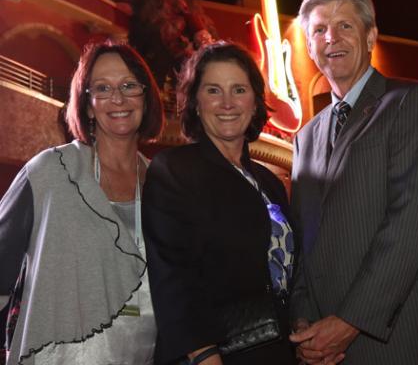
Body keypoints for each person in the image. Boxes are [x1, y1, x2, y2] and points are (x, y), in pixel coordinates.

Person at [289, 0, 418, 364]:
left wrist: (351, 321)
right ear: (309, 46)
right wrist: (304, 325)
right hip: (325, 344)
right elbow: (304, 242)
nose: (331, 38)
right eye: (319, 30)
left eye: (345, 26)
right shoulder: (305, 137)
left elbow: (411, 223)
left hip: (400, 337)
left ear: (370, 37)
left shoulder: (412, 102)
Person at [0, 41, 164, 364]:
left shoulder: (163, 185)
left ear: (146, 97)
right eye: (102, 88)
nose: (117, 98)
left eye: (129, 85)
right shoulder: (49, 172)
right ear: (88, 105)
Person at [142, 41, 296, 365]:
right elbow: (171, 275)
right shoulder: (174, 170)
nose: (227, 102)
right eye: (213, 90)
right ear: (196, 102)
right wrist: (204, 354)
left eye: (238, 89)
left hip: (277, 351)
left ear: (255, 102)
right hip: (214, 356)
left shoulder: (270, 182)